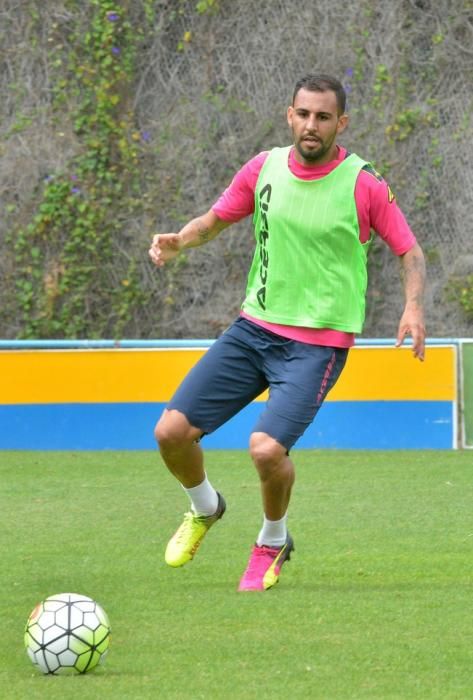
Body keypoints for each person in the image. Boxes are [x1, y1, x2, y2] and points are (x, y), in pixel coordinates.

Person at [148, 73, 426, 592]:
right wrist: (179, 241)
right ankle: (205, 507)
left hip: (317, 347)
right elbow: (215, 219)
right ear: (289, 115)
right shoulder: (266, 167)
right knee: (170, 434)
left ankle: (273, 540)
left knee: (266, 450)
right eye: (303, 114)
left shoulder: (363, 182)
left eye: (323, 117)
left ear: (341, 123)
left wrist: (412, 308)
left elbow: (410, 251)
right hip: (253, 330)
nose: (311, 125)